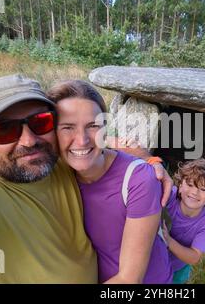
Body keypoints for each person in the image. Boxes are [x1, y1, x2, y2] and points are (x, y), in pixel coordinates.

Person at [0, 74, 172, 283]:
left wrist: (149, 161)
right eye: (4, 129)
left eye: (39, 122)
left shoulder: (52, 159)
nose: (28, 141)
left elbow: (93, 141)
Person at [47, 80, 173, 284]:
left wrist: (151, 161)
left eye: (93, 126)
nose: (81, 140)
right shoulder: (57, 170)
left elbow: (130, 279)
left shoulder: (139, 179)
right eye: (67, 127)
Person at [162, 158, 205, 284]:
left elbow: (194, 257)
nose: (194, 192)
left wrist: (168, 240)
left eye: (203, 189)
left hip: (178, 266)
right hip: (153, 258)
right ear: (180, 186)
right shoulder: (168, 196)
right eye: (190, 184)